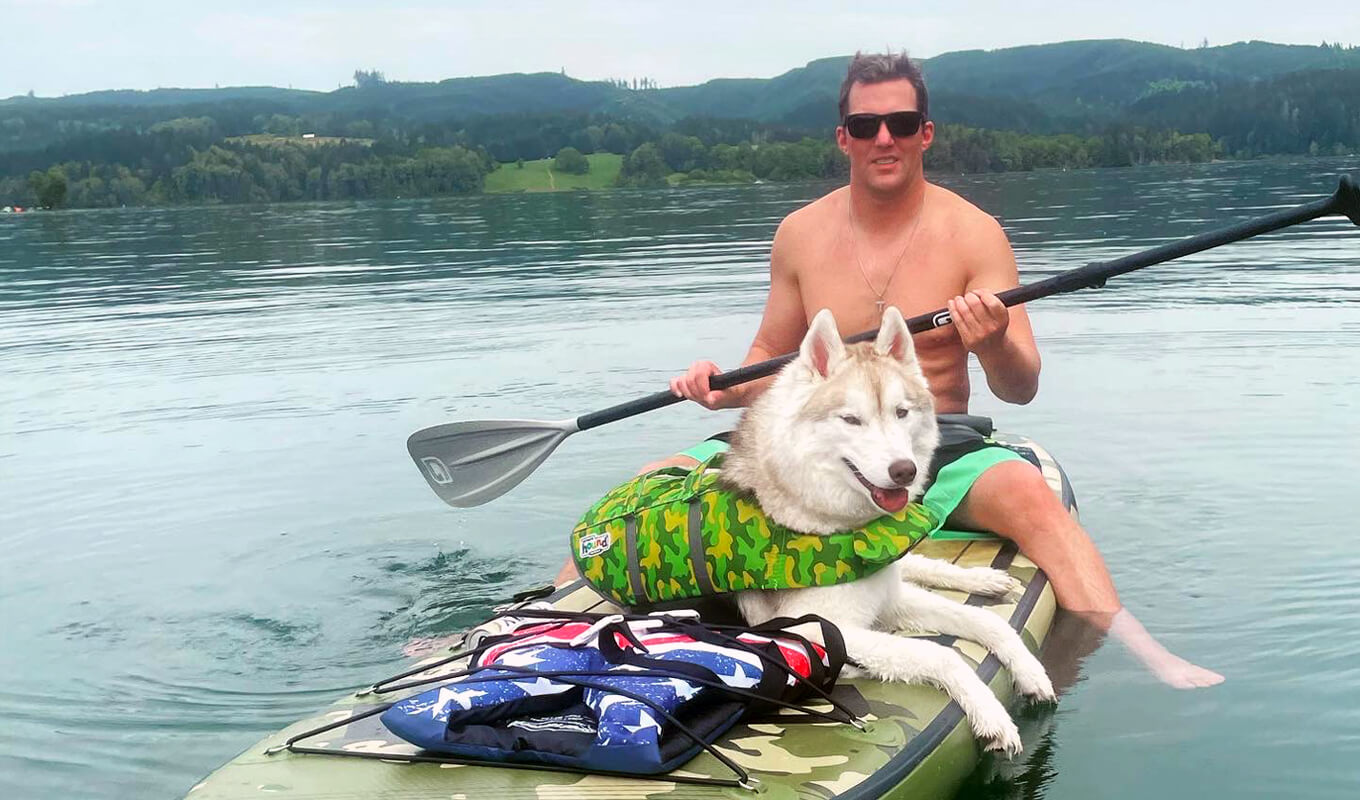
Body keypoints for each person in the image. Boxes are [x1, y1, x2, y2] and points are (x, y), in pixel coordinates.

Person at [557, 52, 1222, 689]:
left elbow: (1021, 385)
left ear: (925, 134)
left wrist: (990, 343)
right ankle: (541, 623)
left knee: (1031, 501)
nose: (885, 138)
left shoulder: (975, 233)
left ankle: (1146, 652)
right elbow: (769, 360)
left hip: (934, 443)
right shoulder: (800, 234)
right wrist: (718, 388)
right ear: (842, 138)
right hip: (817, 446)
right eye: (866, 125)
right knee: (654, 480)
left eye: (902, 124)